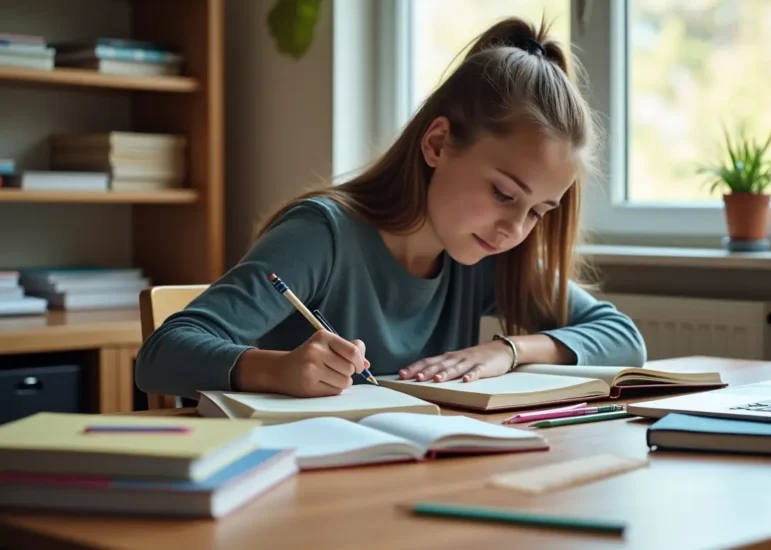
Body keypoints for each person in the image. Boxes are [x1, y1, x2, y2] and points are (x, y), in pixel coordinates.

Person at [135, 17, 647, 401]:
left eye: (539, 211)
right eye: (504, 194)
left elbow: (623, 338)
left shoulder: (480, 254)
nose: (516, 228)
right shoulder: (323, 235)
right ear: (439, 144)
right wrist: (278, 369)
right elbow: (162, 354)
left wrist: (507, 350)